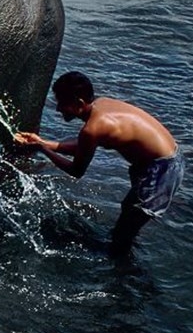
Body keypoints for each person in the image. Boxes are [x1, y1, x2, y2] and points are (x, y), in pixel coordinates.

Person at [14, 71, 183, 257]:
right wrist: (43, 142)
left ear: (79, 103)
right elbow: (83, 147)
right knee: (128, 216)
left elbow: (76, 171)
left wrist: (41, 149)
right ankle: (124, 257)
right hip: (166, 159)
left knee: (122, 237)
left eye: (62, 103)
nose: (58, 109)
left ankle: (124, 278)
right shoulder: (101, 106)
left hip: (160, 171)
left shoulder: (93, 128)